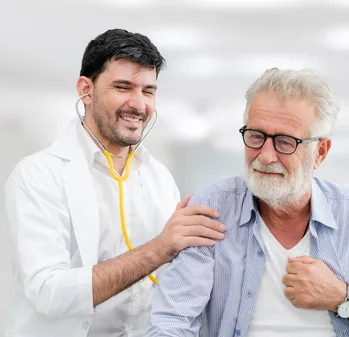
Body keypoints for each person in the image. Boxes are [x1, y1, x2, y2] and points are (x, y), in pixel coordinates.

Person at [147, 68, 349, 337]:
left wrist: (344, 298)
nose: (264, 156)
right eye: (255, 136)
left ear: (321, 152)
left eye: (286, 142)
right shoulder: (212, 208)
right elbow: (171, 322)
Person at [4, 29, 226, 337]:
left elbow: (174, 284)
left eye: (148, 91)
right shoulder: (39, 174)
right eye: (123, 87)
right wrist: (159, 249)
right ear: (86, 89)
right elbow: (48, 293)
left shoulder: (158, 176)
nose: (138, 104)